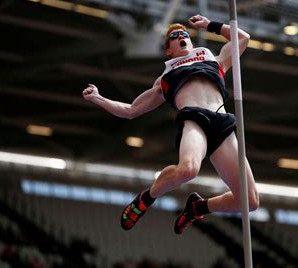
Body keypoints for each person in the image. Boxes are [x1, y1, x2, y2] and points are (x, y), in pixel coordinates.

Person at [82, 14, 259, 234]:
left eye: (185, 34)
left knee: (250, 201)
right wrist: (98, 98)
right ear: (169, 50)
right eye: (176, 36)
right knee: (188, 170)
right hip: (195, 120)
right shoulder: (165, 78)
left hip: (222, 123)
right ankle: (146, 198)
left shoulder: (214, 60)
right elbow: (131, 111)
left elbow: (242, 38)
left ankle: (198, 207)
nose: (182, 37)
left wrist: (208, 25)